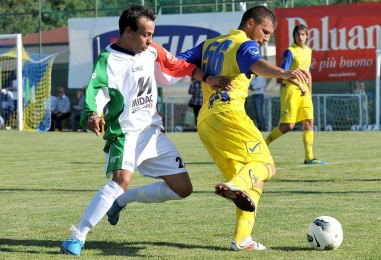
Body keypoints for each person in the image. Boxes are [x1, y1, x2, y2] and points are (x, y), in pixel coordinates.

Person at [60, 4, 231, 256]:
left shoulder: (152, 51)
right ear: (128, 31)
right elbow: (94, 91)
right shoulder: (108, 60)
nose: (150, 39)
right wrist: (93, 114)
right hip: (125, 134)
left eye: (152, 34)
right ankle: (77, 236)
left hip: (153, 133)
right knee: (121, 181)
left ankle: (123, 201)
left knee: (183, 189)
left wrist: (207, 78)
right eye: (145, 34)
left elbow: (177, 66)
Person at [177, 6, 310, 251]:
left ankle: (242, 240)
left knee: (253, 184)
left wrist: (205, 78)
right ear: (250, 24)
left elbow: (178, 63)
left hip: (206, 121)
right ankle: (235, 186)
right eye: (265, 31)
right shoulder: (245, 44)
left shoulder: (209, 44)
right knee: (267, 167)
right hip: (230, 115)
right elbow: (256, 63)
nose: (266, 38)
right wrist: (284, 73)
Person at [265, 24, 327, 165]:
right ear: (294, 36)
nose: (300, 37)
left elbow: (308, 73)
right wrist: (299, 85)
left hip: (304, 92)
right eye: (298, 34)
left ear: (307, 36)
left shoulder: (309, 51)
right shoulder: (290, 51)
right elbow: (284, 74)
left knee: (309, 122)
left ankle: (309, 158)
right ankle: (264, 144)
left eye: (303, 34)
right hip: (291, 90)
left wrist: (309, 92)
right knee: (288, 126)